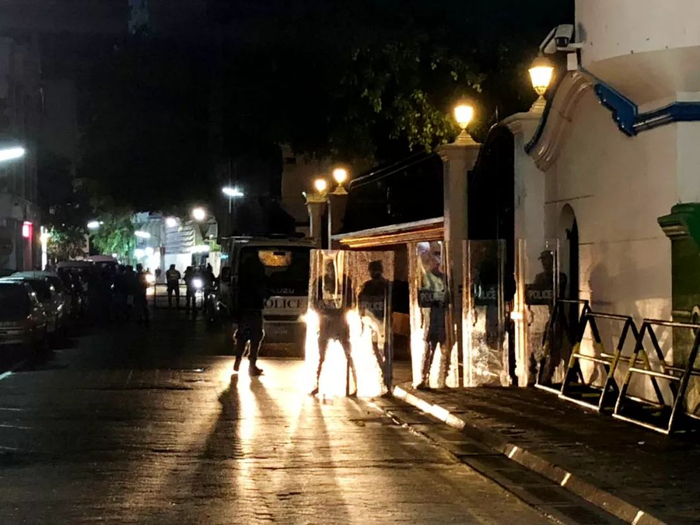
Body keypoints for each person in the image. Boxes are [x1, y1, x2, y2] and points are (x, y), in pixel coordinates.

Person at [311, 259, 357, 396]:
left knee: (348, 355)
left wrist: (339, 313)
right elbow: (314, 302)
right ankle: (317, 384)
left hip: (339, 322)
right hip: (326, 323)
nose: (331, 271)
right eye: (329, 268)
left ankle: (354, 385)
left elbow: (351, 301)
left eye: (333, 268)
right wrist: (324, 314)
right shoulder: (320, 282)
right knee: (321, 356)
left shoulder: (344, 281)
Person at [417, 242, 448, 390]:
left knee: (439, 349)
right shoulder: (430, 278)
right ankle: (428, 378)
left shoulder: (442, 278)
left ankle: (439, 378)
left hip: (440, 319)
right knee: (432, 348)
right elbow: (423, 299)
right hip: (435, 318)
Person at [233, 253, 267, 376]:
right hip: (255, 309)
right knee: (256, 337)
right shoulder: (258, 273)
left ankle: (238, 359)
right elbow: (263, 291)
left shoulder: (243, 273)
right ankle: (252, 365)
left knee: (242, 336)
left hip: (244, 309)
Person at [358, 260, 390, 371]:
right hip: (378, 321)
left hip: (380, 321)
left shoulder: (372, 285)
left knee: (379, 345)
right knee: (378, 345)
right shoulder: (385, 285)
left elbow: (361, 301)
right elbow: (361, 301)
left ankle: (384, 368)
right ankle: (384, 368)